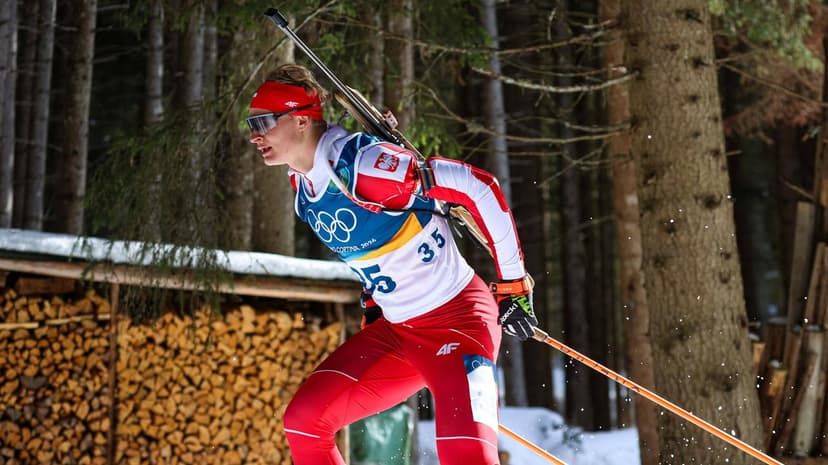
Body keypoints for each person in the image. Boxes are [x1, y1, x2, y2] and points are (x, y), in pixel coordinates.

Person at [247, 64, 537, 465]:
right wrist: (373, 300)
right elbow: (373, 246)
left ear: (300, 119)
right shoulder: (303, 185)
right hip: (400, 333)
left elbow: (480, 186)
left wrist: (513, 286)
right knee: (304, 423)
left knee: (466, 456)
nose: (254, 135)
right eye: (252, 124)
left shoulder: (363, 166)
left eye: (263, 122)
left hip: (459, 322)